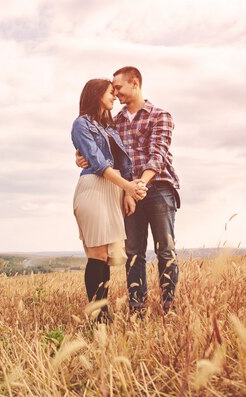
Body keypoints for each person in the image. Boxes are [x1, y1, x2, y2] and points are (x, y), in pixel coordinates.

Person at [77, 67, 180, 315]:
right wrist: (80, 156)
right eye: (112, 90)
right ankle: (137, 308)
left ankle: (169, 306)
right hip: (128, 193)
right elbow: (99, 148)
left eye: (119, 87)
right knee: (133, 252)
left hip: (158, 188)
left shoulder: (160, 115)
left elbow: (158, 155)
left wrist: (139, 184)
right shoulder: (115, 121)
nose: (116, 93)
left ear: (135, 83)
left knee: (165, 249)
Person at [71, 78, 147, 323]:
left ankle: (104, 315)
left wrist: (127, 193)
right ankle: (98, 316)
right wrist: (129, 186)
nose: (114, 96)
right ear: (96, 94)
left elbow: (124, 164)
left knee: (105, 255)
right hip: (94, 187)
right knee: (96, 253)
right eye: (110, 92)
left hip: (113, 190)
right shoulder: (81, 124)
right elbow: (97, 162)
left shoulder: (110, 127)